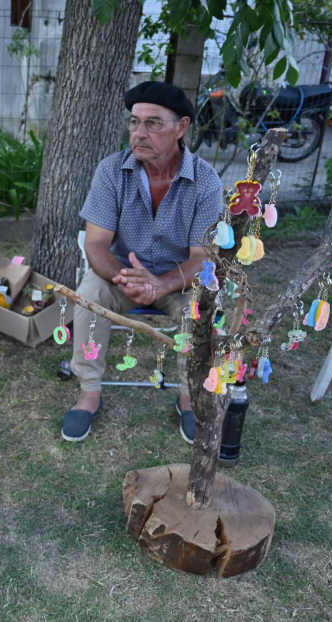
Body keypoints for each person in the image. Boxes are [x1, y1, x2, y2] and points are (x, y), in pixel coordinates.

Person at [61, 81, 224, 444]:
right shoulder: (111, 170)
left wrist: (161, 284)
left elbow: (203, 258)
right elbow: (97, 244)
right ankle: (90, 392)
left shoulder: (206, 181)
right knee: (89, 294)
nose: (139, 133)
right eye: (134, 122)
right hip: (120, 276)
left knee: (201, 308)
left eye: (153, 123)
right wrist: (130, 279)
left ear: (181, 127)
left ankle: (188, 395)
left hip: (178, 280)